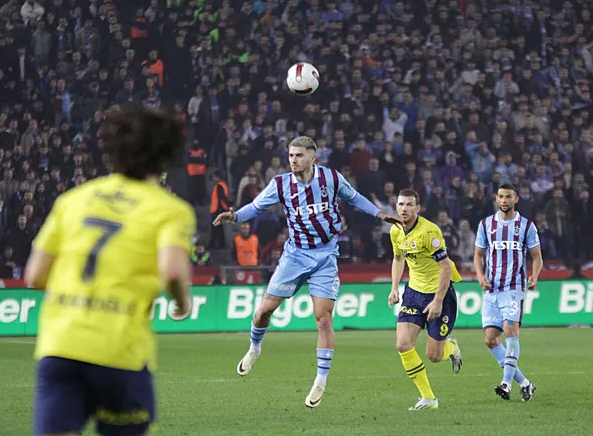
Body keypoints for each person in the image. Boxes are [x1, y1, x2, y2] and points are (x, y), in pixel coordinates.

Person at [0, 106, 195, 436]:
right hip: (119, 353)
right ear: (166, 156)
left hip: (60, 346)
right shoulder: (169, 210)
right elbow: (171, 271)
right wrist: (182, 302)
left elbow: (34, 276)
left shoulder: (73, 200)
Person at [212, 136, 401, 408]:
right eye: (290, 155)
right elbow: (255, 207)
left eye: (299, 155)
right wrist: (235, 216)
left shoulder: (332, 179)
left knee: (324, 320)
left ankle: (320, 382)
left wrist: (379, 214)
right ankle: (254, 348)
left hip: (325, 256)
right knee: (263, 311)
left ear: (314, 158)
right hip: (294, 255)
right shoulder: (281, 184)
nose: (293, 160)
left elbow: (355, 198)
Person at [387, 190, 464, 410]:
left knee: (434, 355)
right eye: (401, 204)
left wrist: (438, 300)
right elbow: (398, 258)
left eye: (409, 204)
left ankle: (451, 348)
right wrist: (394, 288)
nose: (404, 208)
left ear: (417, 208)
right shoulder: (395, 230)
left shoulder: (430, 232)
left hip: (440, 293)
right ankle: (429, 398)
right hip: (413, 293)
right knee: (403, 344)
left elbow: (446, 267)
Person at [474, 183, 542, 402]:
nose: (504, 200)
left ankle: (506, 383)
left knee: (510, 330)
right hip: (492, 289)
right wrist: (480, 276)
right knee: (490, 339)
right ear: (496, 198)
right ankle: (524, 383)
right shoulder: (485, 225)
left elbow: (537, 256)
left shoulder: (526, 226)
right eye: (501, 196)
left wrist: (535, 275)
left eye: (508, 197)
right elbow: (478, 254)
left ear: (516, 199)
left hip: (514, 288)